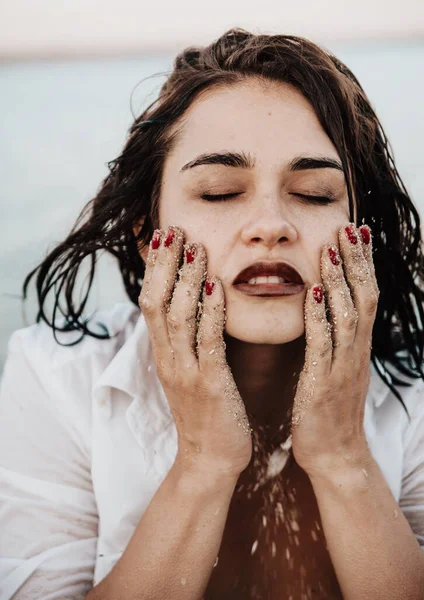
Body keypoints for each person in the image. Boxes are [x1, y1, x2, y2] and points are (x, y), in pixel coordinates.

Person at [0, 27, 423, 600]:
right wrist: (203, 463)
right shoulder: (56, 381)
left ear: (360, 230)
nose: (271, 224)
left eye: (316, 194)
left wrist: (344, 458)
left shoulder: (414, 393)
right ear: (148, 234)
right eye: (221, 192)